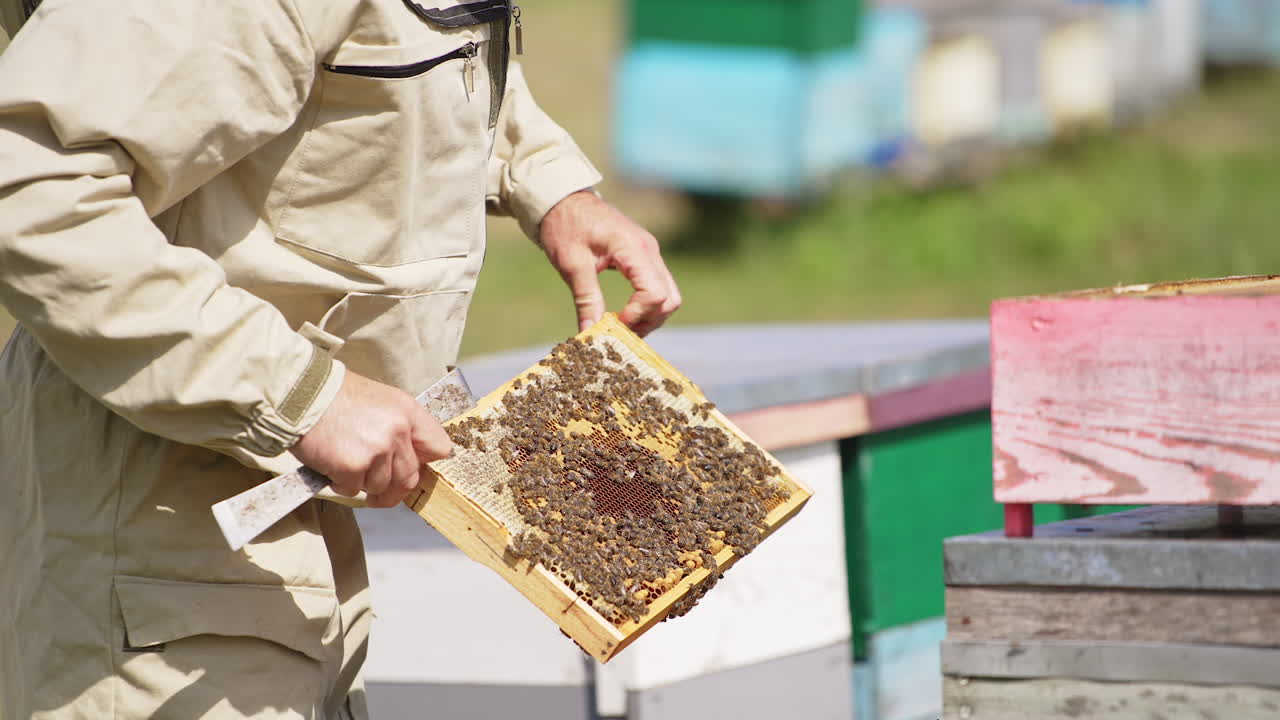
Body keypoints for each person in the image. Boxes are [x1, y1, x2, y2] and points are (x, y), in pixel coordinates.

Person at [0, 0, 681, 717]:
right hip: (152, 514)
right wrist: (299, 394)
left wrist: (547, 183)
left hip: (292, 503)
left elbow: (416, 48)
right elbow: (29, 183)